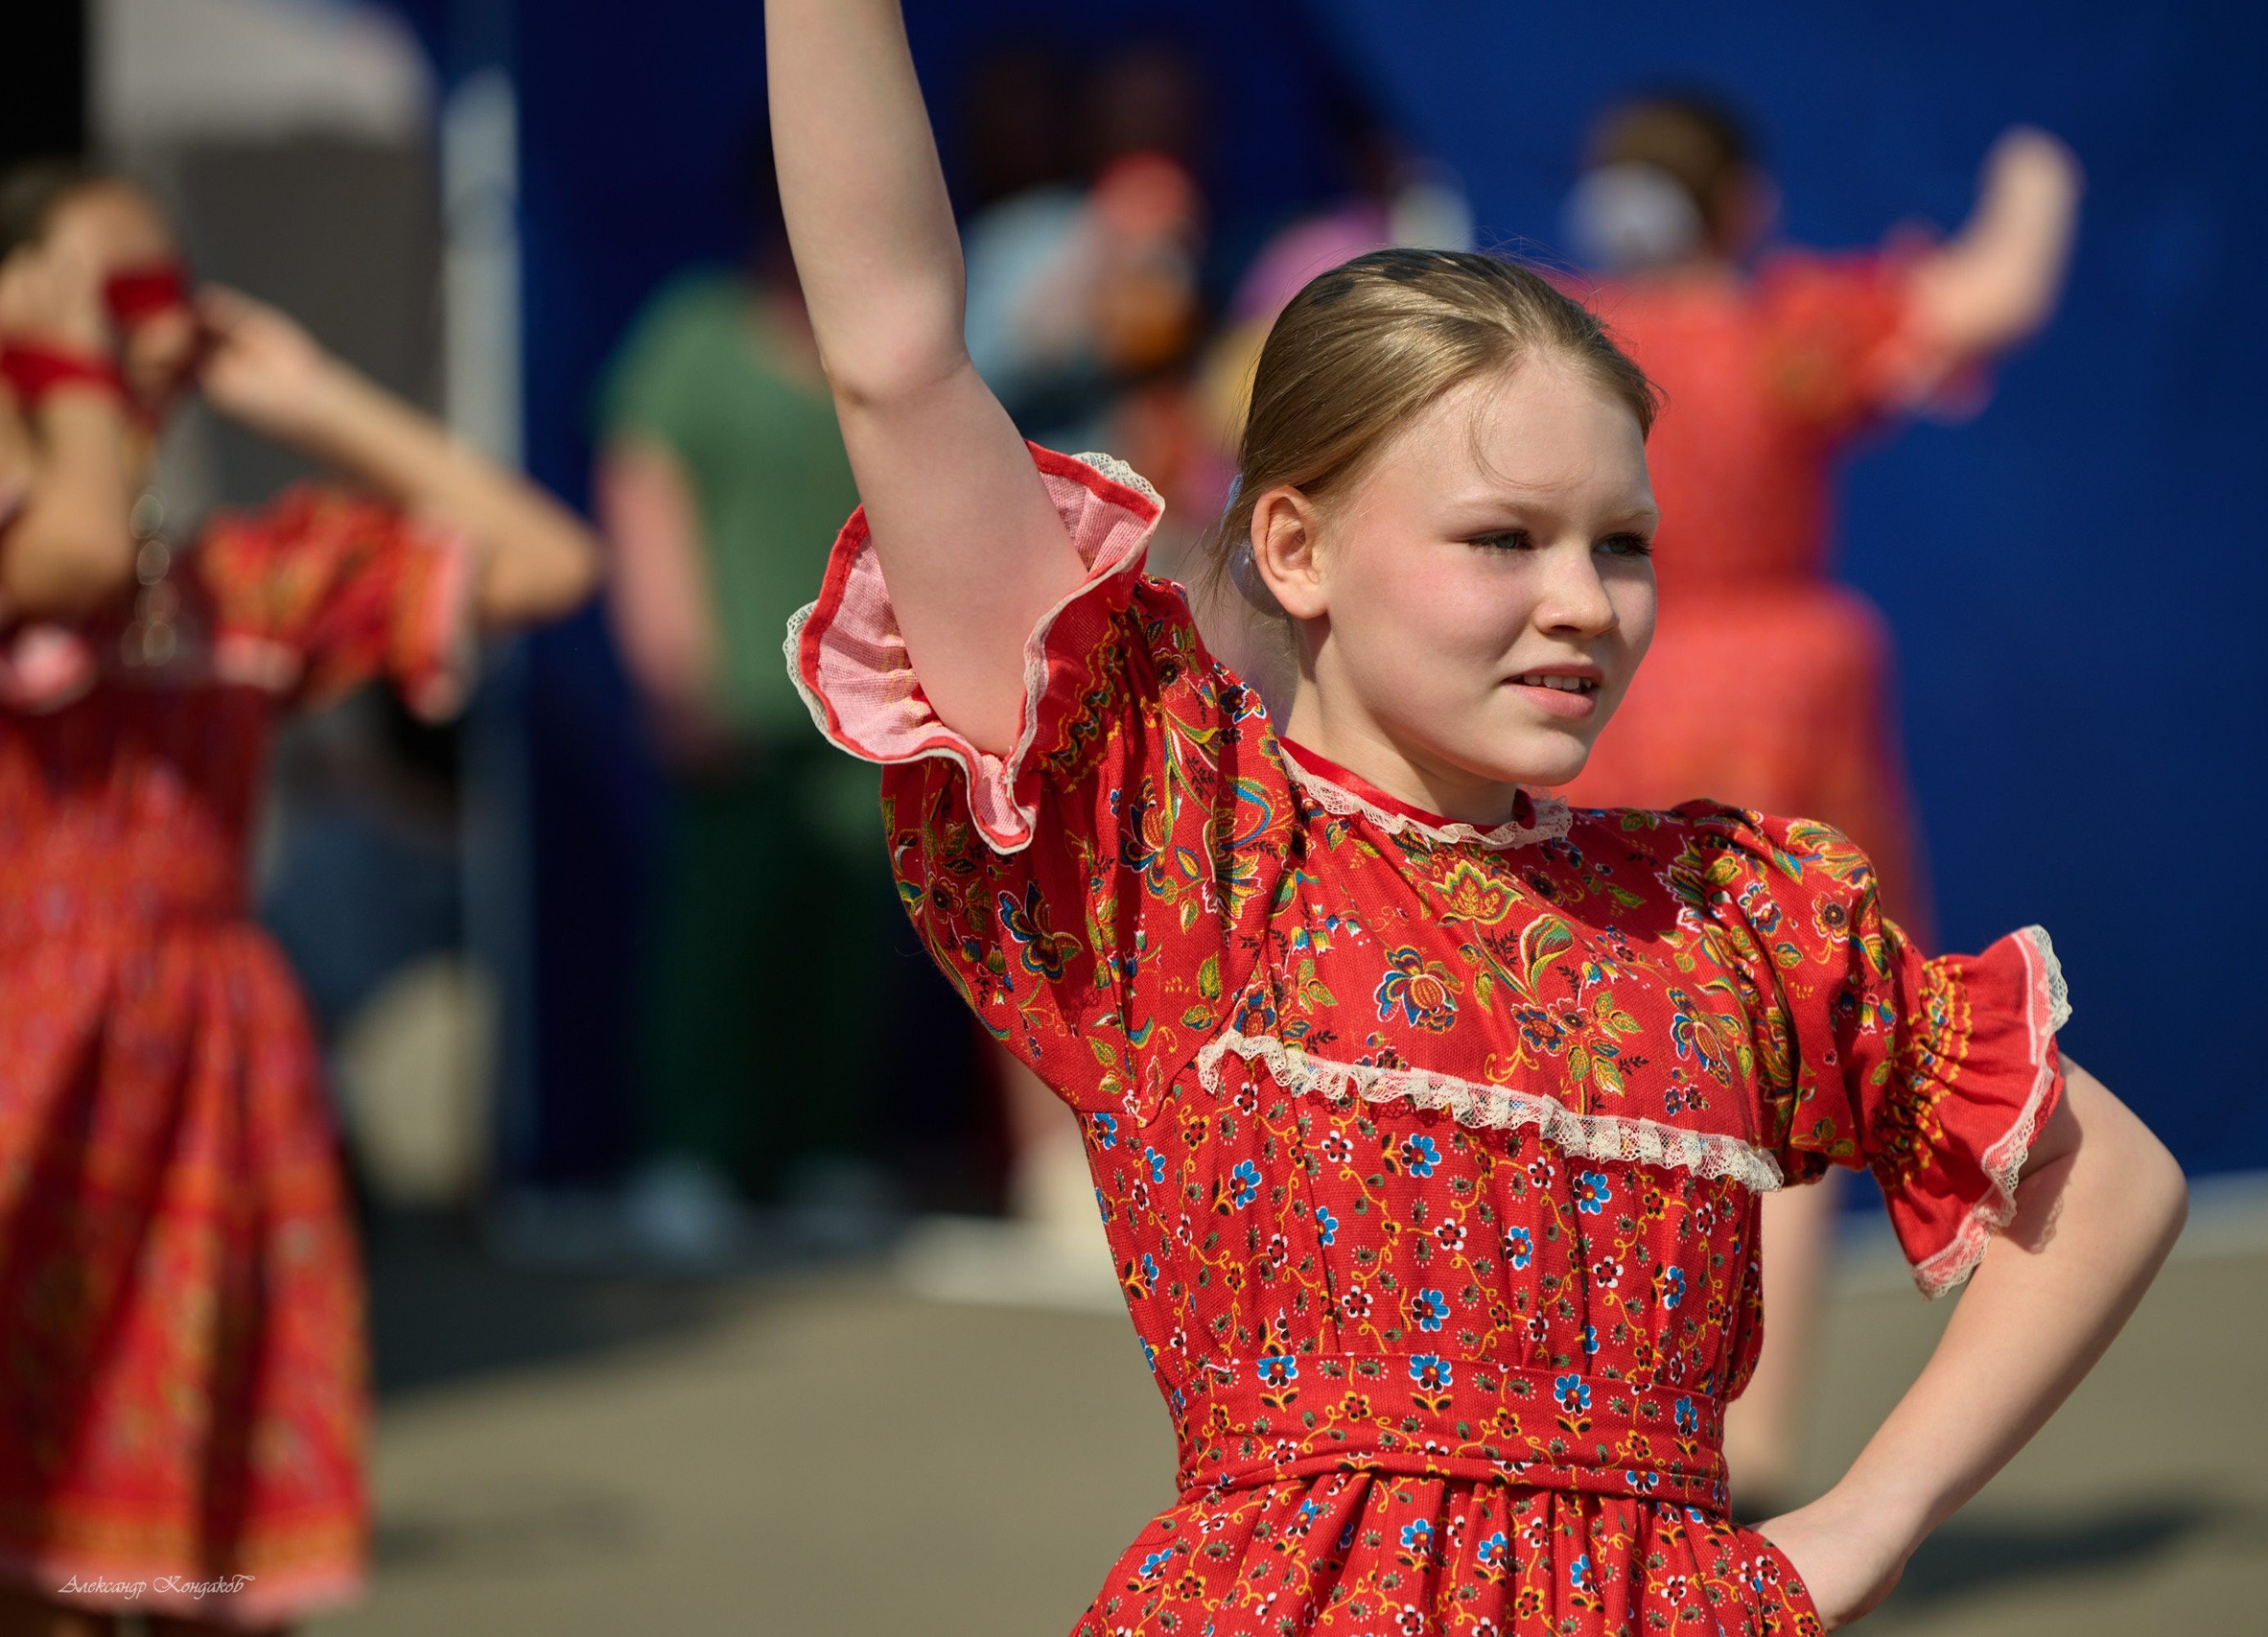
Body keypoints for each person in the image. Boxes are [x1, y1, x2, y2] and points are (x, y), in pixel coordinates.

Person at [764, 4, 2187, 1630]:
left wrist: (1865, 1523)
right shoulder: (1187, 849)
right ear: (1293, 549)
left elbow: (2113, 1178)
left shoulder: (1724, 914)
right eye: (1503, 539)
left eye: (1622, 545)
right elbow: (895, 355)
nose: (1583, 601)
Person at [0, 160, 599, 1633]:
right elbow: (74, 551)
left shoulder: (241, 581)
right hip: (28, 1067)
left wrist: (313, 396)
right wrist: (56, 353)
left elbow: (545, 559)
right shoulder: (34, 538)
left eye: (164, 298)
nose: (152, 337)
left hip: (208, 1082)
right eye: (114, 298)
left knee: (199, 1540)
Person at [1558, 92, 2082, 1507]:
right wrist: (2042, 156)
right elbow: (1999, 289)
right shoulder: (1783, 330)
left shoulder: (1556, 344)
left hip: (1606, 707)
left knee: (1593, 1061)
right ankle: (1758, 1442)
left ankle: (1596, 1434)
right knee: (1790, 1074)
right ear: (1741, 205)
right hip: (1778, 721)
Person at [596, 144, 919, 1259]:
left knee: (842, 938)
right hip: (736, 693)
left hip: (867, 706)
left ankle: (811, 1149)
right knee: (717, 936)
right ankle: (691, 1155)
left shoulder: (881, 351)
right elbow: (641, 499)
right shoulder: (694, 338)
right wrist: (670, 669)